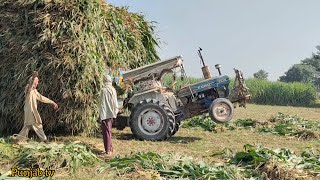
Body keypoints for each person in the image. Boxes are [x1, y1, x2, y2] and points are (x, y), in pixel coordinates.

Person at [15, 71, 58, 143]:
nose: (37, 83)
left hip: (31, 111)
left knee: (27, 126)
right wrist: (34, 78)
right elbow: (30, 87)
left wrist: (52, 102)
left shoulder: (35, 91)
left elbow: (41, 98)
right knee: (38, 125)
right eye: (36, 81)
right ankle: (44, 140)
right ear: (33, 82)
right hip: (30, 111)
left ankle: (18, 140)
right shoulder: (28, 88)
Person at [99, 75, 118, 157]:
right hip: (111, 113)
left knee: (106, 132)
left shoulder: (103, 90)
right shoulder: (113, 89)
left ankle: (107, 152)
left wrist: (101, 116)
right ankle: (110, 148)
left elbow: (102, 104)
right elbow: (115, 102)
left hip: (106, 114)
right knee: (109, 131)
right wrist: (115, 112)